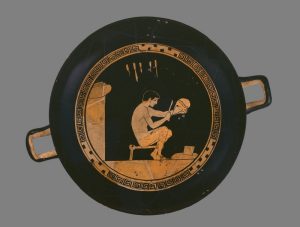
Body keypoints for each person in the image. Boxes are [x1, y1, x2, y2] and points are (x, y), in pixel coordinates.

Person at [131, 90, 172, 160]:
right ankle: (158, 155)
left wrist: (174, 111)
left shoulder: (145, 108)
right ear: (150, 99)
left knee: (169, 132)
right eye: (155, 100)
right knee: (164, 130)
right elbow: (152, 125)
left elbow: (160, 113)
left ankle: (155, 153)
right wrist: (165, 119)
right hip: (143, 139)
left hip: (146, 135)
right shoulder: (142, 109)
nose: (156, 103)